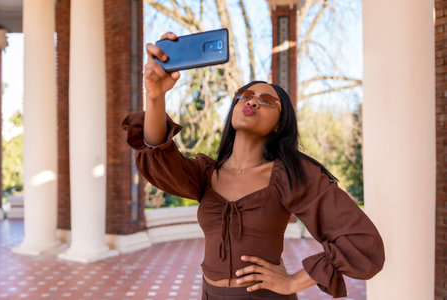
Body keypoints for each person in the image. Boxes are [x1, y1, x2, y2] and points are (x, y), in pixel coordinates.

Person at [121, 32, 385, 300]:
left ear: (280, 124)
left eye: (267, 101)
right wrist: (155, 96)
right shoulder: (205, 174)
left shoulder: (292, 174)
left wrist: (293, 281)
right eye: (245, 95)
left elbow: (363, 243)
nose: (252, 101)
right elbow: (158, 155)